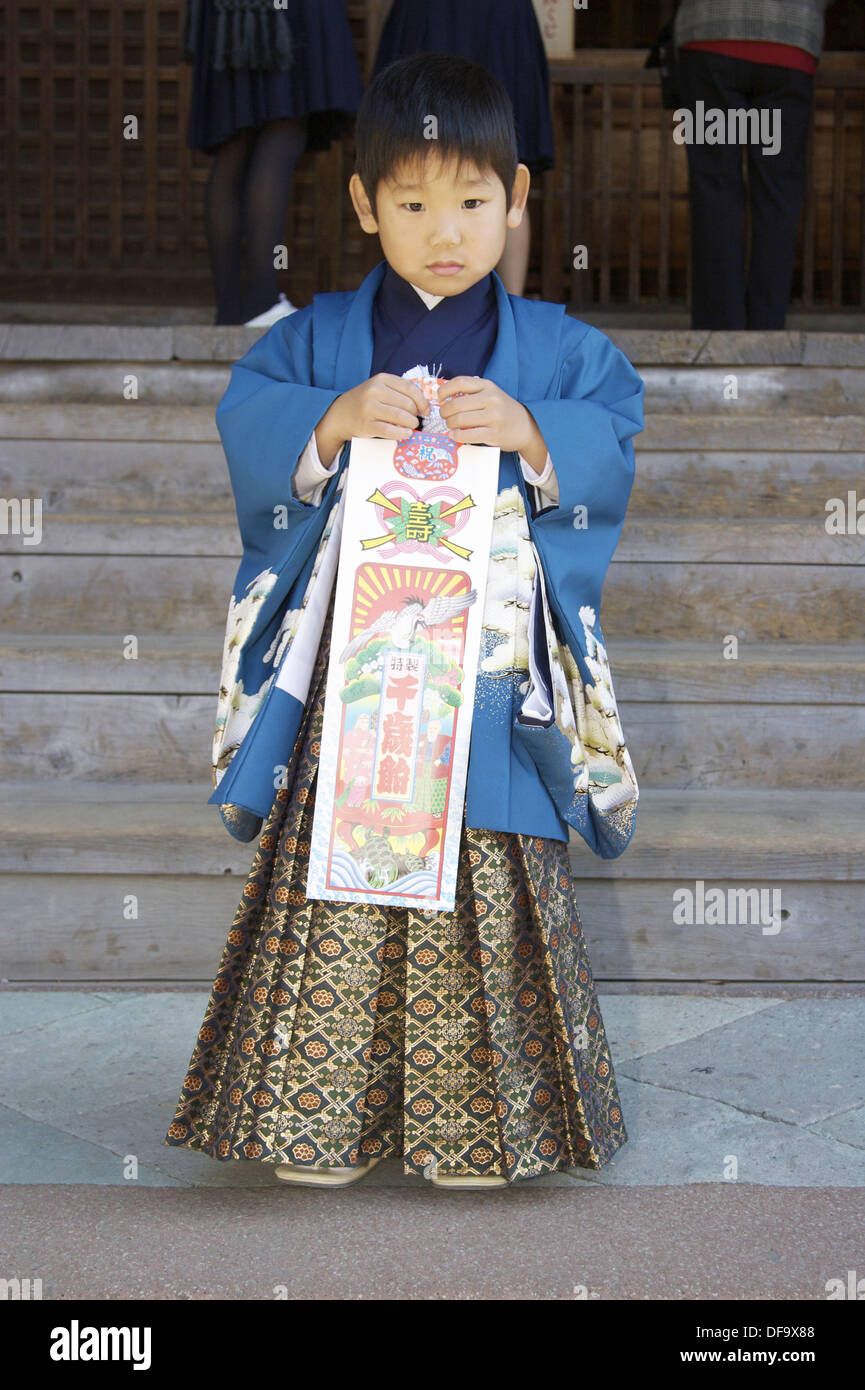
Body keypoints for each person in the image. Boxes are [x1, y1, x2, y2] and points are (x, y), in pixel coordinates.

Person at [164, 53, 644, 1190]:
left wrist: (532, 432)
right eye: (413, 202)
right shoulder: (317, 342)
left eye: (474, 202)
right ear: (363, 203)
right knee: (341, 859)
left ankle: (480, 1127)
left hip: (482, 674)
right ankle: (312, 1120)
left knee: (485, 871)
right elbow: (253, 420)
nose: (446, 231)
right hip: (360, 671)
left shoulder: (560, 354)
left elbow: (609, 430)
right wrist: (329, 420)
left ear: (518, 199)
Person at [182, 0, 363, 325]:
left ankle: (231, 308)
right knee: (282, 131)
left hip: (228, 11)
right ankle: (261, 304)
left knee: (234, 142)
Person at [371, 0, 555, 295]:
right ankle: (502, 309)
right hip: (488, 17)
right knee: (409, 163)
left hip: (452, 16)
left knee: (501, 169)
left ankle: (508, 308)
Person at [673, 0, 831, 329]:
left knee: (715, 186)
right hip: (791, 35)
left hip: (709, 32)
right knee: (778, 193)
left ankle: (720, 329)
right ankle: (767, 328)